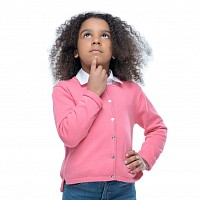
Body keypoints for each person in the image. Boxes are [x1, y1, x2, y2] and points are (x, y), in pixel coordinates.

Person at [49, 12, 167, 200]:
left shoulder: (131, 90)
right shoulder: (64, 89)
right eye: (87, 35)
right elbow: (69, 136)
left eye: (104, 35)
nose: (96, 40)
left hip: (123, 190)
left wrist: (145, 158)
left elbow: (157, 128)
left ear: (115, 51)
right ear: (75, 51)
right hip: (80, 190)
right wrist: (93, 92)